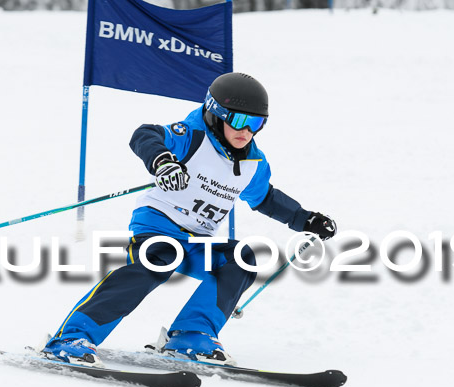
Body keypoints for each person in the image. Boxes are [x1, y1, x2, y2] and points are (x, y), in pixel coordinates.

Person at [42, 72, 337, 368]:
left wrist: (305, 220)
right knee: (154, 265)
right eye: (237, 120)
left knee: (243, 257)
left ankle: (191, 335)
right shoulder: (193, 135)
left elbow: (265, 198)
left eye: (256, 123)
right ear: (215, 114)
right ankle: (71, 338)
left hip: (199, 241)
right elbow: (145, 135)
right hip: (158, 228)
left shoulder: (253, 162)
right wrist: (163, 161)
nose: (245, 131)